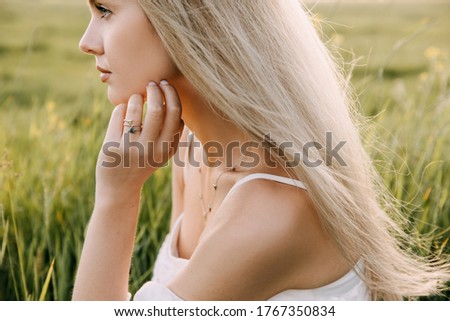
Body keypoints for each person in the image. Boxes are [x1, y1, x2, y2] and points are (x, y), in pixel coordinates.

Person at [72, 0, 450, 301]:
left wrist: (116, 196)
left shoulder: (273, 208)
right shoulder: (192, 148)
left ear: (190, 18)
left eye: (105, 10)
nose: (86, 41)